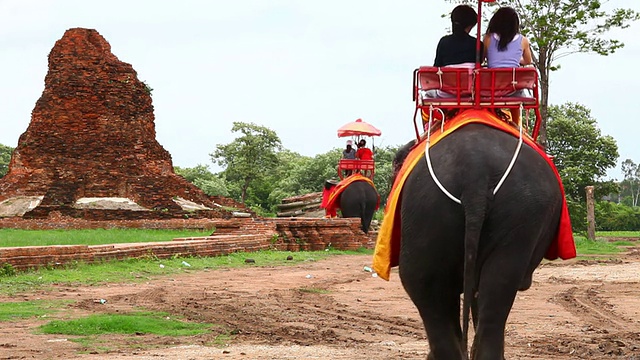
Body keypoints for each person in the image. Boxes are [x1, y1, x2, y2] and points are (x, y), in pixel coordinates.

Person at [483, 6, 533, 125]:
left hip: (492, 88)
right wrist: (516, 60)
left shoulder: (488, 38)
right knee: (517, 90)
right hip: (512, 88)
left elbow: (482, 58)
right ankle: (516, 124)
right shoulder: (523, 40)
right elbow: (528, 61)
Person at [423, 5, 480, 100]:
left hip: (446, 93)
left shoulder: (444, 42)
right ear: (470, 25)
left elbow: (436, 67)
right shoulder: (478, 44)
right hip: (471, 91)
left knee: (427, 94)